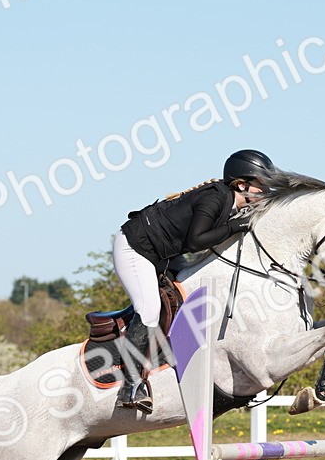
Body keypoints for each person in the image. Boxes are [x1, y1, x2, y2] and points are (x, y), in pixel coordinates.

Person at [112, 149, 275, 413]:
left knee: (191, 290)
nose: (265, 191)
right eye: (261, 185)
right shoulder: (214, 199)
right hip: (136, 248)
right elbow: (196, 241)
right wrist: (235, 227)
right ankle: (130, 387)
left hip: (164, 254)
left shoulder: (230, 204)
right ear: (241, 184)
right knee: (150, 309)